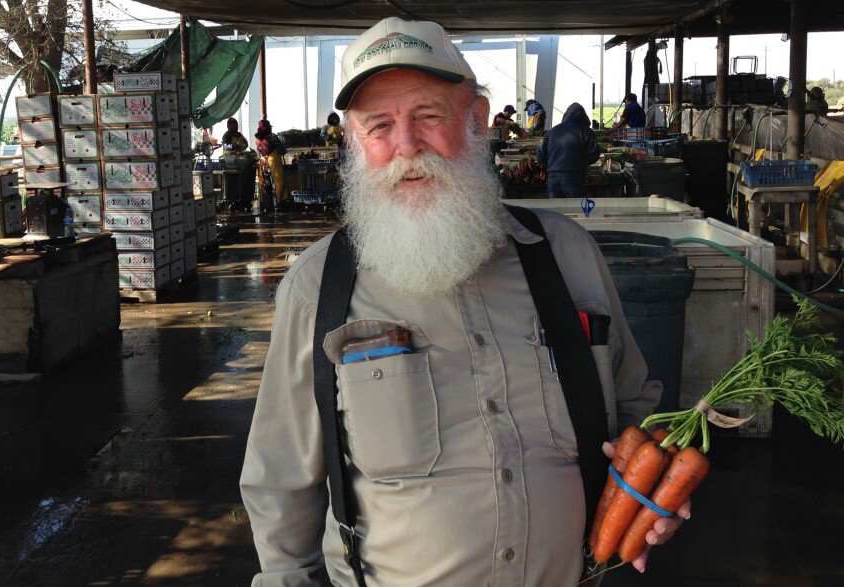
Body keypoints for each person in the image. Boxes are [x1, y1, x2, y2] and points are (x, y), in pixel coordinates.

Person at [241, 17, 688, 587]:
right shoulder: (316, 288)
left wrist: (653, 492)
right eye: (379, 126)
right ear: (354, 143)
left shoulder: (568, 257)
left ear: (477, 122)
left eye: (429, 116)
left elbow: (636, 410)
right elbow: (281, 483)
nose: (407, 147)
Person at [536, 103, 602, 198]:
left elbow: (541, 157)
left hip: (553, 179)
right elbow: (594, 154)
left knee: (555, 211)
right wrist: (583, 162)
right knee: (575, 209)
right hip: (574, 177)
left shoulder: (551, 132)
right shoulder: (586, 132)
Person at [254, 119, 288, 214]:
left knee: (266, 186)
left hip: (263, 163)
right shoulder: (272, 137)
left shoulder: (257, 139)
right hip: (273, 163)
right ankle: (277, 206)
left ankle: (267, 208)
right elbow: (282, 151)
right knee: (276, 185)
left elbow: (259, 151)